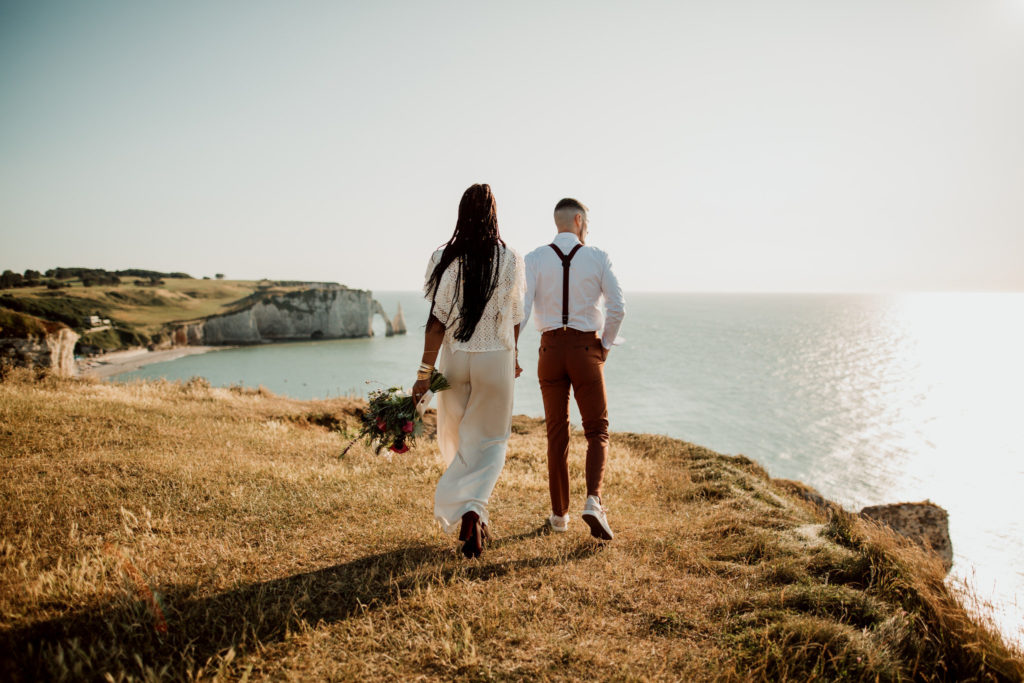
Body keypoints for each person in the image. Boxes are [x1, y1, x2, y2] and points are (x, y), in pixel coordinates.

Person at [411, 183, 525, 559]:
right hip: (497, 361)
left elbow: (436, 322)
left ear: (460, 213)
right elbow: (515, 317)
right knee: (491, 442)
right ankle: (474, 511)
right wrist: (515, 355)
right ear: (495, 215)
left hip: (456, 359)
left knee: (456, 436)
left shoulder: (445, 257)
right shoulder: (510, 259)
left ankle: (469, 511)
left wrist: (424, 372)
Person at [522, 198, 625, 540]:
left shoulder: (534, 259)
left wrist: (511, 355)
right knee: (597, 430)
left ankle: (559, 516)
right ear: (579, 220)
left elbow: (520, 311)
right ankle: (593, 501)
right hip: (585, 348)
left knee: (557, 433)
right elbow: (617, 307)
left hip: (550, 350)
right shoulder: (598, 257)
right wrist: (606, 346)